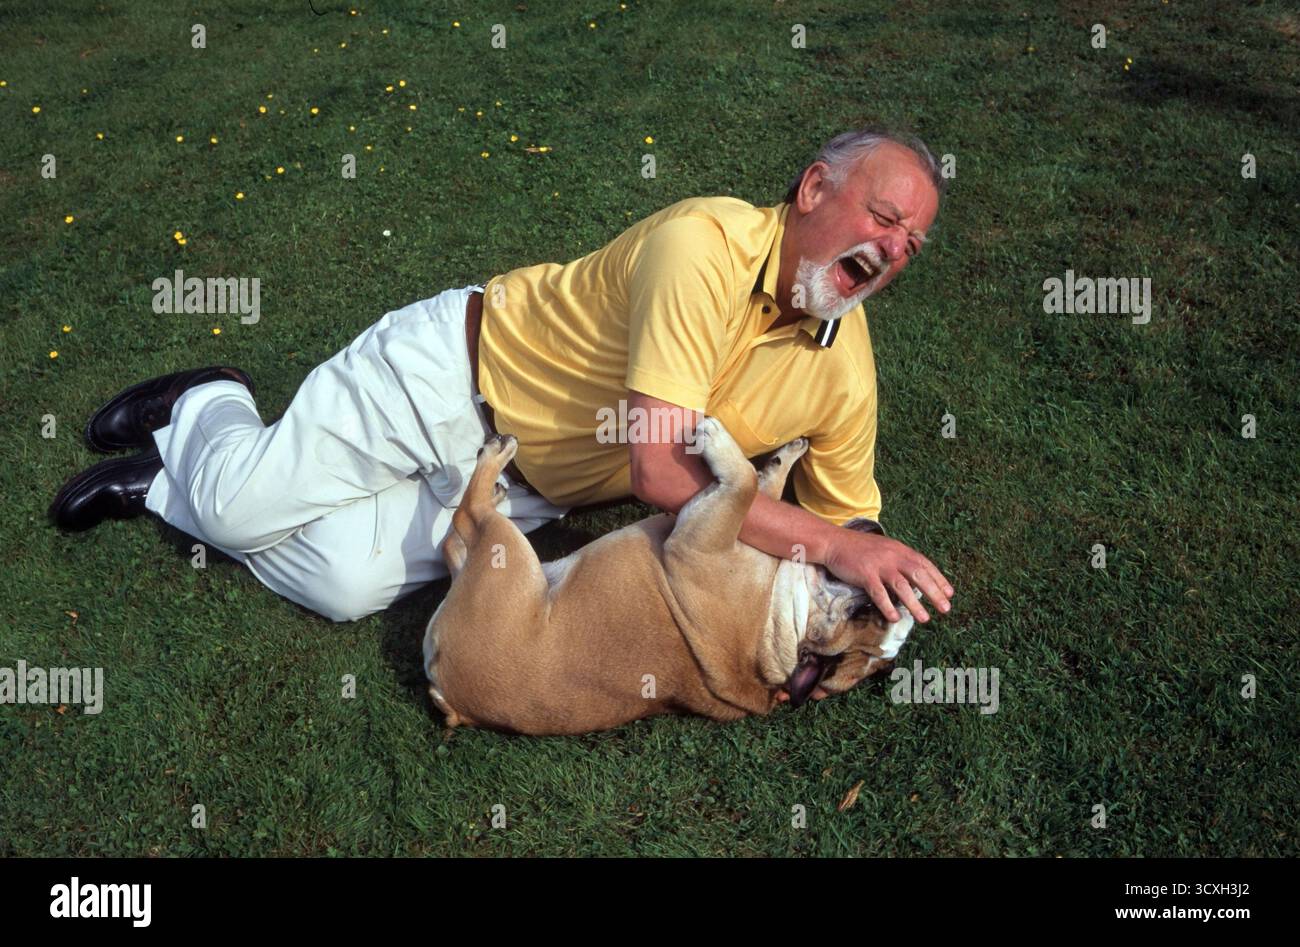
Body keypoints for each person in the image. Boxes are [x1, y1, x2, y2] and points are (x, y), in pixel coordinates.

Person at [50, 126, 954, 625]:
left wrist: (863, 568)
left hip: (524, 489)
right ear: (812, 191)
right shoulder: (704, 247)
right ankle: (211, 400)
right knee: (246, 512)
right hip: (447, 378)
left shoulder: (847, 366)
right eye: (882, 216)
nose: (892, 249)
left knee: (340, 591)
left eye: (911, 242)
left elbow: (848, 516)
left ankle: (170, 487)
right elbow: (657, 471)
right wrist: (835, 547)